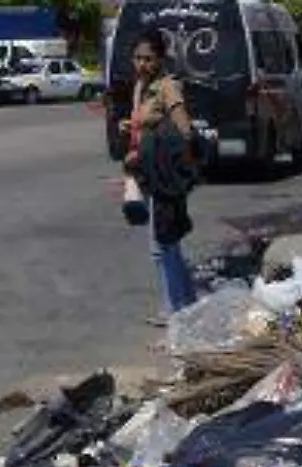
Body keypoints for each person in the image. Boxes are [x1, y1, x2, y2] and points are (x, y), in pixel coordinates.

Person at [123, 28, 198, 323]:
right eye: (138, 58)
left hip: (165, 173)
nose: (142, 64)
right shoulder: (141, 87)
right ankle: (187, 303)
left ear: (160, 59)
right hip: (146, 172)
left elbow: (184, 130)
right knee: (167, 241)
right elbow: (145, 125)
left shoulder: (167, 87)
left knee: (163, 243)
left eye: (148, 58)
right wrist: (131, 127)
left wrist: (150, 148)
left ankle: (174, 311)